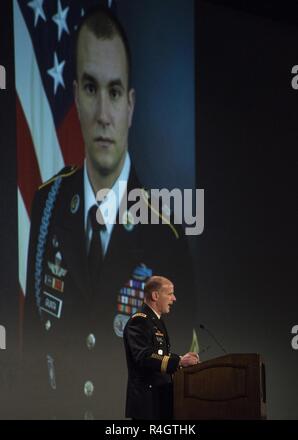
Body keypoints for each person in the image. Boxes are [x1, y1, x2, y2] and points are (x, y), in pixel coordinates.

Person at [23, 5, 196, 419]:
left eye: (115, 92)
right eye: (90, 87)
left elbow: (178, 368)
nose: (103, 112)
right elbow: (33, 344)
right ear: (76, 99)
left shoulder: (164, 231)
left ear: (131, 105)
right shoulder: (47, 205)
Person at [123, 276, 199, 420]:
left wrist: (181, 359)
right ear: (155, 295)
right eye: (170, 294)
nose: (174, 298)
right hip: (147, 404)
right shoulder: (140, 321)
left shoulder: (155, 321)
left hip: (159, 401)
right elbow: (144, 357)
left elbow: (160, 355)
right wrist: (178, 362)